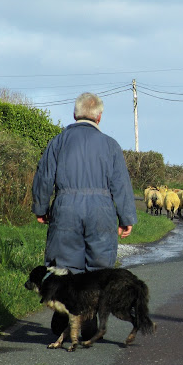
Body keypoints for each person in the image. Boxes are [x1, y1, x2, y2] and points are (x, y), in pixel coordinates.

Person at [31, 92, 137, 338]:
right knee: (99, 269)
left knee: (64, 265)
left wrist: (41, 208)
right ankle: (88, 327)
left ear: (74, 114)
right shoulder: (110, 145)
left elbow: (44, 177)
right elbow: (121, 185)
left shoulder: (58, 142)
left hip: (66, 206)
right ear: (99, 117)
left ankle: (62, 324)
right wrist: (126, 218)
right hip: (101, 210)